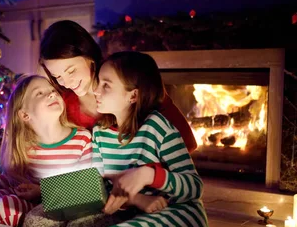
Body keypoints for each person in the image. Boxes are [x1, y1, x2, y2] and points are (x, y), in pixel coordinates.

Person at [53, 51, 251, 227]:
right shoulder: (99, 133)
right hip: (140, 222)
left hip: (182, 218)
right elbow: (100, 184)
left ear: (133, 95)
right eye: (98, 82)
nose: (96, 90)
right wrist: (135, 199)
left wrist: (147, 176)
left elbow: (194, 187)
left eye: (106, 85)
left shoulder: (158, 128)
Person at [39, 19, 198, 153]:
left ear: (88, 55)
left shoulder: (127, 78)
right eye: (57, 76)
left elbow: (186, 143)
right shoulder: (63, 105)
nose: (66, 82)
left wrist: (148, 174)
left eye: (71, 70)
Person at [0, 75, 93, 227]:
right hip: (28, 204)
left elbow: (87, 185)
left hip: (62, 206)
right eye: (39, 93)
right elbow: (10, 177)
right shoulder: (27, 147)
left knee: (4, 208)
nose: (52, 94)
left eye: (53, 90)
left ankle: (42, 226)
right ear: (25, 115)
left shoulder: (82, 139)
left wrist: (42, 191)